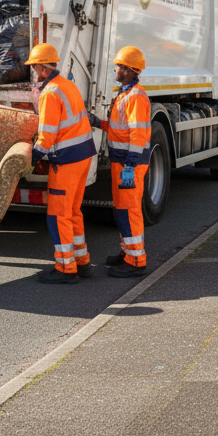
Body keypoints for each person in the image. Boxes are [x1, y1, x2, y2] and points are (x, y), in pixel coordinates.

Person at [27, 43, 97, 284]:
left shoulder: (50, 93)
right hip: (83, 156)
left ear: (43, 68)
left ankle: (66, 269)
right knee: (73, 211)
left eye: (35, 66)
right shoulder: (68, 85)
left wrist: (31, 159)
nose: (34, 70)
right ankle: (82, 261)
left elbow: (47, 135)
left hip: (66, 161)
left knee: (58, 215)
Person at [89, 47, 151, 277]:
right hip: (121, 161)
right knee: (121, 210)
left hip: (129, 164)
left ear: (127, 70)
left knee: (129, 211)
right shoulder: (125, 95)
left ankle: (136, 262)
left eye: (118, 66)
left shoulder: (134, 97)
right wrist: (97, 122)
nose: (115, 69)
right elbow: (119, 129)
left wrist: (130, 164)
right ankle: (127, 253)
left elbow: (138, 134)